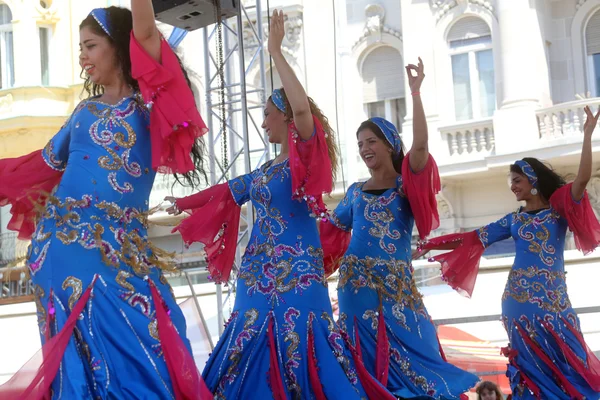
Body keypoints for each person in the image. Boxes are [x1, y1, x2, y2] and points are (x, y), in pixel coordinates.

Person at [166, 9, 395, 400]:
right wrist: (184, 201)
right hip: (257, 273)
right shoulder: (264, 171)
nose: (262, 122)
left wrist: (274, 50)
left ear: (286, 117)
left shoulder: (302, 159)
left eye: (267, 114)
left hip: (298, 273)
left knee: (303, 347)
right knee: (247, 347)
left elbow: (303, 109)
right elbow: (225, 192)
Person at [0, 3, 211, 399]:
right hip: (60, 252)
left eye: (91, 45)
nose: (82, 56)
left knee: (150, 346)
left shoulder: (151, 106)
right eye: (81, 47)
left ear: (119, 46)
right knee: (80, 367)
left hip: (122, 256)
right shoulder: (83, 112)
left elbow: (147, 32)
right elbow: (39, 166)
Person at [319, 58, 478, 398]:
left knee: (418, 353)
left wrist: (416, 92)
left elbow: (420, 146)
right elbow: (329, 232)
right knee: (359, 366)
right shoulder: (354, 192)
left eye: (371, 141)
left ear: (389, 144)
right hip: (355, 286)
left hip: (397, 288)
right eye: (360, 144)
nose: (364, 149)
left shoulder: (406, 184)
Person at [420, 107, 600, 398]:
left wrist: (588, 135)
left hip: (552, 303)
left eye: (517, 180)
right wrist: (431, 243)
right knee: (530, 370)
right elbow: (473, 238)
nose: (513, 187)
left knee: (568, 361)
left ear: (532, 180)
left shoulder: (558, 211)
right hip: (517, 303)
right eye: (511, 182)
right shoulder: (513, 220)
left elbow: (580, 180)